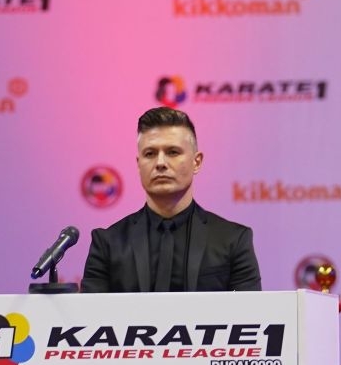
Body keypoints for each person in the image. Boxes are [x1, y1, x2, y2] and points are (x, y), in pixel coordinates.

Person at [80, 107, 262, 293]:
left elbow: (252, 316)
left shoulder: (233, 240)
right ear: (138, 164)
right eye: (150, 154)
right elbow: (89, 318)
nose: (160, 163)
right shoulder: (108, 244)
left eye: (173, 152)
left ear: (196, 162)